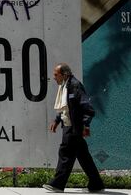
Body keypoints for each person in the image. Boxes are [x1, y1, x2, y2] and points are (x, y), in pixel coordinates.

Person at [43, 63, 105, 193]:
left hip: (74, 127)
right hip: (68, 126)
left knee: (65, 153)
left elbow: (88, 109)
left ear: (64, 74)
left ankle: (57, 184)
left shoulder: (75, 86)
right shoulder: (64, 87)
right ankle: (96, 183)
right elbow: (65, 108)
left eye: (56, 75)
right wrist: (57, 120)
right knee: (83, 156)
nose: (54, 77)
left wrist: (86, 125)